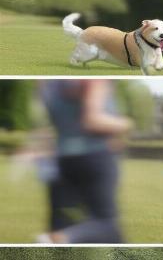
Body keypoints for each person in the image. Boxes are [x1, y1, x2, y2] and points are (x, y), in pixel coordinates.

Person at [37, 80, 131, 244]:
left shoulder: (46, 83)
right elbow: (92, 120)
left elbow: (57, 121)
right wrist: (125, 124)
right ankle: (59, 239)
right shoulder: (92, 79)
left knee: (63, 223)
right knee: (108, 227)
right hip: (95, 157)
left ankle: (57, 239)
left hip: (63, 160)